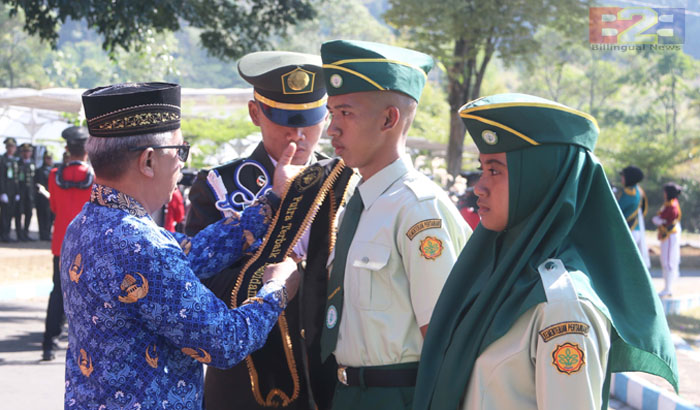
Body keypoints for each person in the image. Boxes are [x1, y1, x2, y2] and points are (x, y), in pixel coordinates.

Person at [413, 93, 678, 410]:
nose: (479, 187)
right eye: (482, 169)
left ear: (541, 180)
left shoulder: (563, 307)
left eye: (495, 171)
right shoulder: (500, 274)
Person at [61, 82, 302, 409]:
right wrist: (277, 290)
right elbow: (225, 340)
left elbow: (193, 253)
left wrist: (271, 203)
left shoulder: (86, 224)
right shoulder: (141, 244)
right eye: (180, 152)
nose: (181, 165)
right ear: (148, 161)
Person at [185, 51, 353, 410]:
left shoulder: (349, 180)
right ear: (255, 113)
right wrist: (273, 278)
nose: (298, 134)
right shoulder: (217, 185)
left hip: (329, 379)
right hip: (243, 385)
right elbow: (199, 285)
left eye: (309, 120)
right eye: (284, 120)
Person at [319, 40, 470, 410]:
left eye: (345, 113)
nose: (331, 130)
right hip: (348, 392)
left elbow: (442, 338)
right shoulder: (361, 204)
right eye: (330, 113)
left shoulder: (418, 209)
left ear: (389, 119)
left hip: (397, 397)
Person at [40, 126, 94, 361]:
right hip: (86, 246)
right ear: (87, 150)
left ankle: (49, 344)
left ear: (66, 149)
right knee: (87, 296)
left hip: (61, 245)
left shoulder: (53, 176)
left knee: (57, 294)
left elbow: (53, 208)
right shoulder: (95, 177)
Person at [617, 165, 650, 267]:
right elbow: (644, 210)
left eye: (623, 176)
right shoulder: (639, 190)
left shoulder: (630, 192)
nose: (621, 178)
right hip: (636, 228)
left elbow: (617, 209)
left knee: (625, 262)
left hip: (629, 229)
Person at [653, 182, 682, 297]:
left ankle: (668, 288)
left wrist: (659, 220)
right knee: (665, 261)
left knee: (668, 261)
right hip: (667, 235)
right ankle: (667, 287)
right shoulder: (669, 204)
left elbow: (668, 218)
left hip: (670, 235)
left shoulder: (672, 205)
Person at [0, 137, 20, 242]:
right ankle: (3, 235)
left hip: (13, 192)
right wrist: (2, 192)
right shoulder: (2, 159)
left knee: (10, 214)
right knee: (4, 215)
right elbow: (1, 177)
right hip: (5, 192)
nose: (11, 148)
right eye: (9, 146)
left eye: (13, 146)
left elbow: (16, 179)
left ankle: (7, 234)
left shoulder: (15, 160)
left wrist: (17, 192)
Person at [15, 143, 36, 241]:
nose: (26, 153)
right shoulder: (17, 163)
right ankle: (19, 234)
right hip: (20, 192)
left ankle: (26, 233)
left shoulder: (32, 163)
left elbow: (34, 179)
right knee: (19, 213)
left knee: (29, 213)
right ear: (21, 153)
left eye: (28, 152)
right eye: (24, 151)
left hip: (30, 193)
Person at [34, 151, 55, 241]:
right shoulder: (39, 170)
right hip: (42, 197)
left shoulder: (55, 170)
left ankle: (47, 233)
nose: (49, 160)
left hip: (52, 197)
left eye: (50, 158)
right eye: (47, 158)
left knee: (50, 216)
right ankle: (43, 234)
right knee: (42, 216)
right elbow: (37, 183)